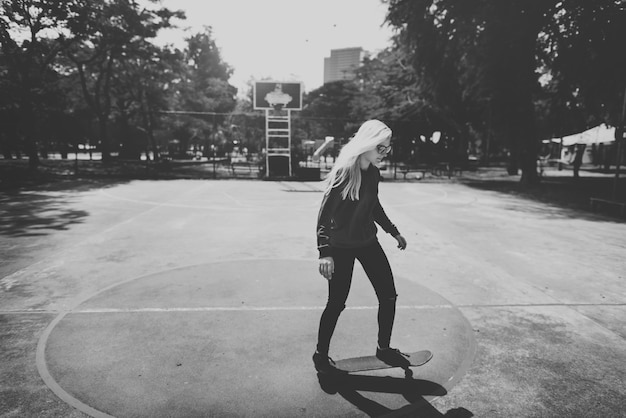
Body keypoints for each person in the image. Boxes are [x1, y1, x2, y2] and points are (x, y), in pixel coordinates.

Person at [313, 119, 408, 374]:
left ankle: (384, 349)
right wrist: (325, 253)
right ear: (367, 143)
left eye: (387, 149)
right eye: (381, 148)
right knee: (337, 303)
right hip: (341, 246)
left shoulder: (373, 173)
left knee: (388, 295)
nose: (384, 153)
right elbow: (324, 216)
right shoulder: (344, 173)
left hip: (368, 242)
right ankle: (320, 354)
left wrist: (393, 231)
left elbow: (374, 206)